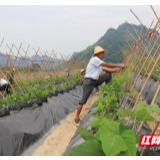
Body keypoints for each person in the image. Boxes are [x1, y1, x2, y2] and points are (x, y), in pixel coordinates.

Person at [75, 46, 126, 123]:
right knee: (83, 100)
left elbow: (106, 69)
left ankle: (107, 94)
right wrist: (120, 65)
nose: (103, 54)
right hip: (88, 82)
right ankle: (77, 116)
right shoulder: (94, 60)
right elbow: (107, 65)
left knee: (108, 75)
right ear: (98, 54)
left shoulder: (99, 62)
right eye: (102, 53)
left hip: (96, 80)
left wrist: (116, 70)